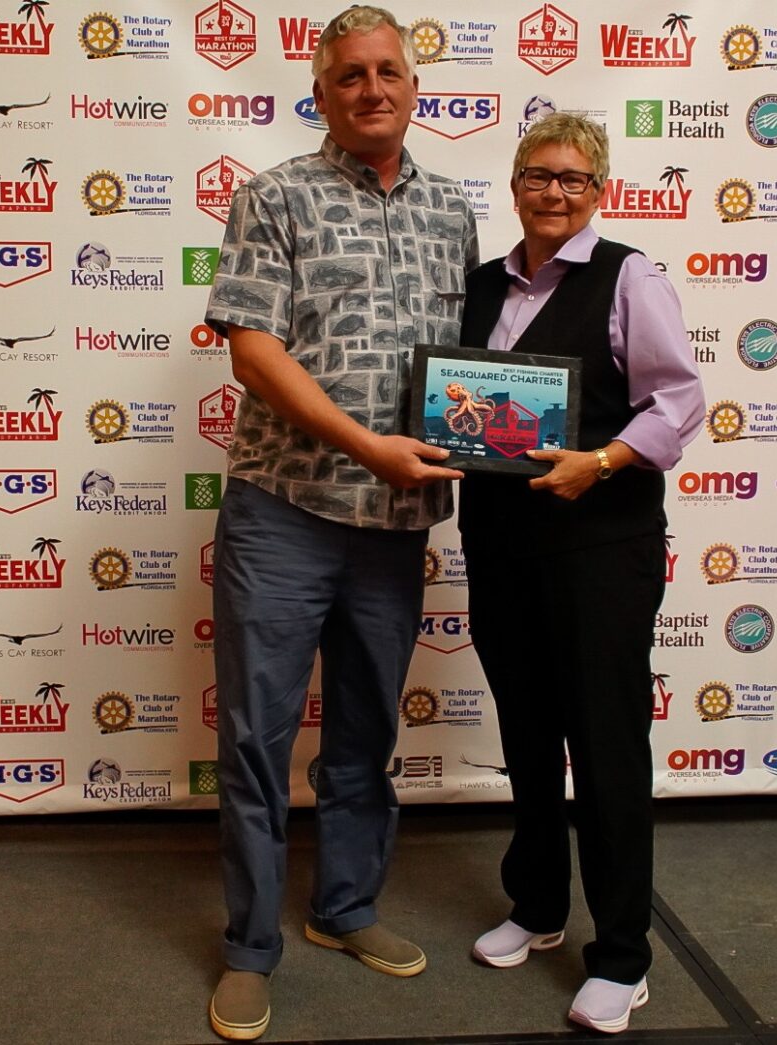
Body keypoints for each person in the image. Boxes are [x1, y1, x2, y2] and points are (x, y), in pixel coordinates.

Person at [203, 7, 478, 1040]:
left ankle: (344, 908)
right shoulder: (273, 194)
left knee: (367, 728)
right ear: (322, 92)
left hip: (396, 524)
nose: (372, 88)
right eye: (351, 74)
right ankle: (247, 946)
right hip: (284, 510)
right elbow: (252, 350)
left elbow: (472, 369)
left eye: (389, 72)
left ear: (415, 88)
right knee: (256, 737)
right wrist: (365, 446)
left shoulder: (453, 209)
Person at [457, 113, 704, 1035]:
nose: (554, 192)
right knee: (526, 732)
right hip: (501, 541)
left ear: (598, 190)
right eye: (538, 176)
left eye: (574, 179)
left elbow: (678, 400)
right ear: (514, 183)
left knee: (603, 745)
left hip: (602, 546)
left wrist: (598, 462)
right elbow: (466, 403)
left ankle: (624, 953)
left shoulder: (629, 274)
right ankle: (538, 906)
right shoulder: (482, 284)